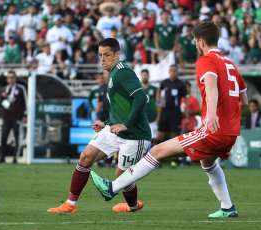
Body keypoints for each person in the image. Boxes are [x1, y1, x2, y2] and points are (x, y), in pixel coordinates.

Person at [90, 21, 249, 219]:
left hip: (213, 129)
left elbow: (211, 84)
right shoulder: (230, 64)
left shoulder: (206, 61)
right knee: (208, 164)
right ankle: (227, 207)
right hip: (231, 132)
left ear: (200, 41)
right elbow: (244, 98)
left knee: (157, 151)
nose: (195, 45)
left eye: (194, 41)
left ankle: (112, 188)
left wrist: (212, 114)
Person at [47, 38, 151, 214]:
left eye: (107, 55)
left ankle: (133, 206)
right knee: (85, 157)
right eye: (100, 55)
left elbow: (141, 97)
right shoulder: (113, 74)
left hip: (135, 135)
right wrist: (106, 123)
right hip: (114, 130)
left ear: (117, 54)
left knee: (122, 178)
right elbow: (121, 107)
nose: (102, 59)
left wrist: (126, 124)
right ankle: (70, 204)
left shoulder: (123, 72)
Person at [0, 70, 27, 164]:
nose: (10, 79)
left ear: (15, 78)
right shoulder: (4, 89)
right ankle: (2, 157)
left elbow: (25, 102)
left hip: (17, 117)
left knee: (17, 138)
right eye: (8, 77)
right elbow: (1, 103)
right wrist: (3, 97)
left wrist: (25, 115)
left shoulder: (20, 88)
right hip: (6, 117)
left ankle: (15, 158)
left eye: (12, 77)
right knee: (3, 138)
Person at [156, 65, 186, 143]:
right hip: (164, 112)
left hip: (175, 112)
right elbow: (159, 91)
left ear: (177, 72)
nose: (173, 72)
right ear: (169, 72)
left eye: (174, 71)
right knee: (160, 134)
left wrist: (185, 112)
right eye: (171, 70)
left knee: (174, 135)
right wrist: (159, 102)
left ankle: (174, 154)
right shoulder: (164, 82)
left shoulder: (181, 84)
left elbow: (184, 99)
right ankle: (158, 152)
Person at [140, 69, 158, 140]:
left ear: (149, 76)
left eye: (146, 75)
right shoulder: (137, 89)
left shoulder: (155, 89)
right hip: (141, 120)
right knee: (142, 139)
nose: (144, 77)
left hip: (152, 119)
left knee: (153, 139)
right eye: (143, 75)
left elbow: (159, 104)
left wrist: (157, 118)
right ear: (140, 76)